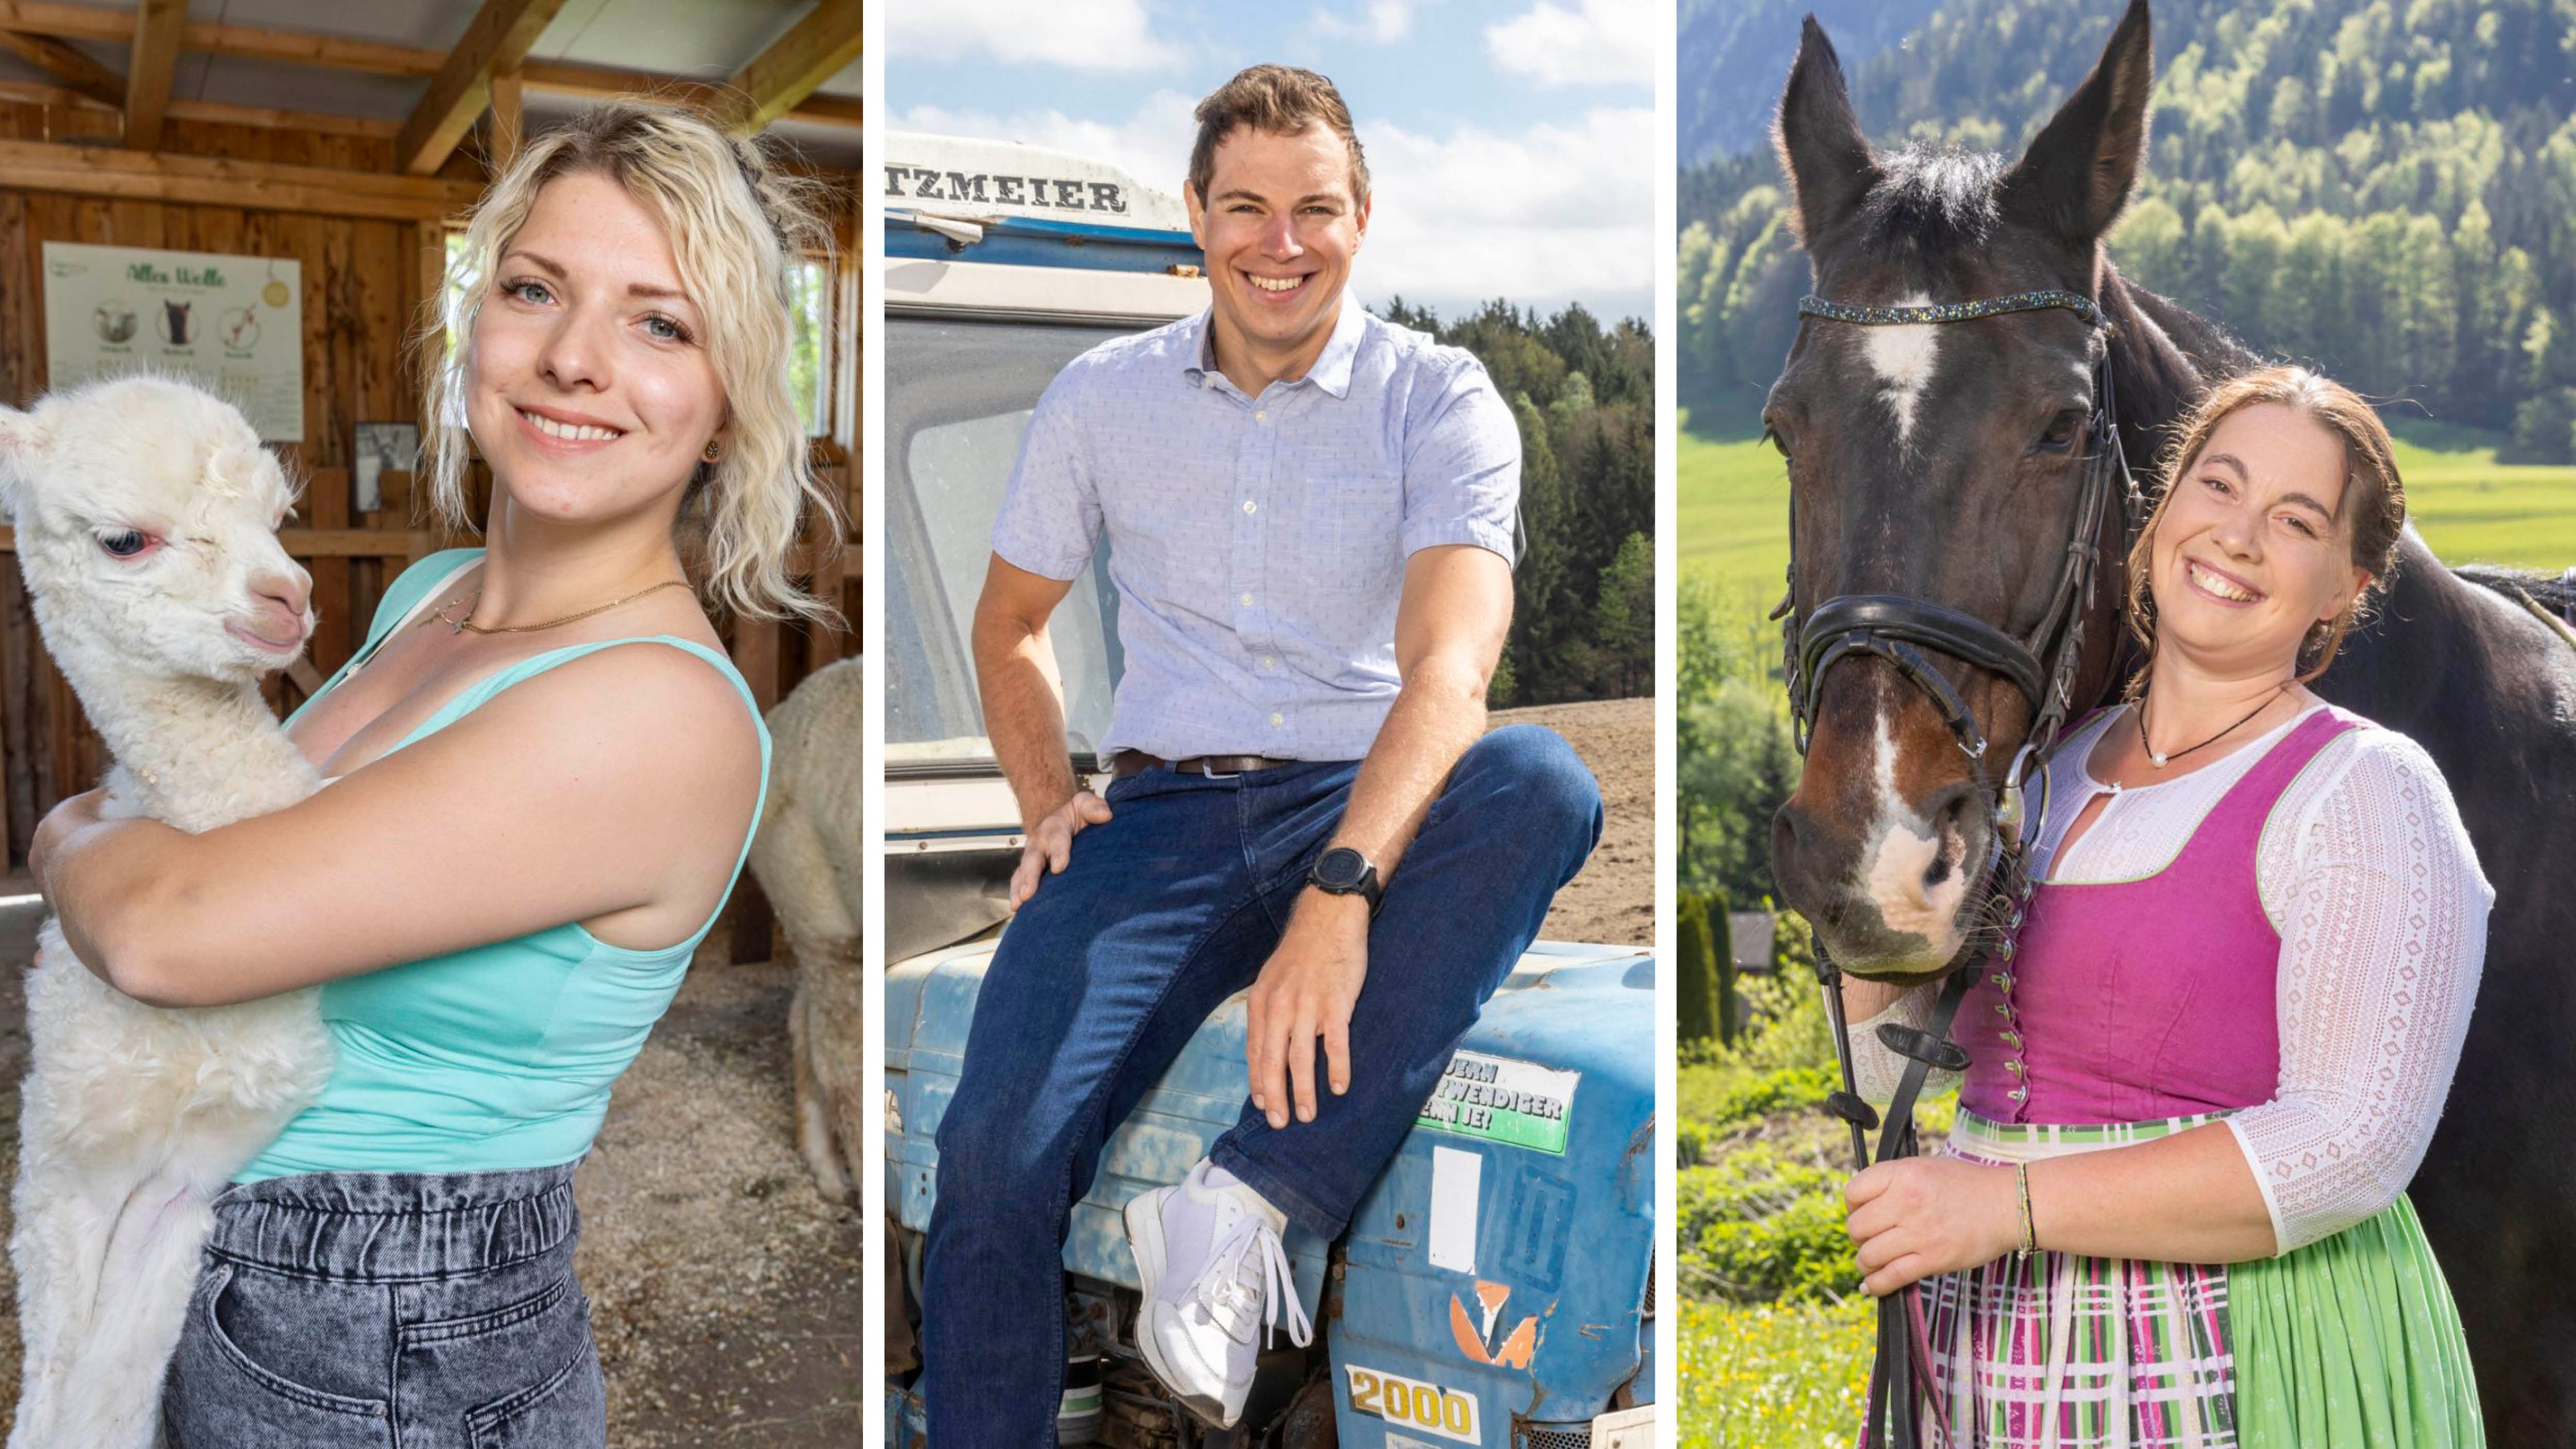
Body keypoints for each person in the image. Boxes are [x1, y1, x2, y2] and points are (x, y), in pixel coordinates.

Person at [28, 101, 838, 1446]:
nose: (575, 359)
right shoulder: (433, 593)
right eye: (535, 290)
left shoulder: (655, 712)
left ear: (727, 404)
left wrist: (65, 838)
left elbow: (169, 929)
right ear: (474, 330)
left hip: (388, 1323)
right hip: (216, 1257)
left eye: (661, 323)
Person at [918, 64, 1605, 1437]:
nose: (1276, 243)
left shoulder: (1438, 397)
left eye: (1312, 209)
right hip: (1162, 819)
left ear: (1363, 218)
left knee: (1541, 784)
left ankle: (1240, 1204)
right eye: (1244, 208)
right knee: (990, 1155)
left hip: (1367, 799)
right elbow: (1009, 624)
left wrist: (1340, 894)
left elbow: (1449, 665)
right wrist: (1049, 797)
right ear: (1195, 215)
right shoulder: (1100, 396)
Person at [1840, 365, 2490, 1447]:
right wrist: (1872, 929)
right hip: (1980, 1350)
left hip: (2239, 1356)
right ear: (2162, 509)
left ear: (2345, 586)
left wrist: (2009, 1206)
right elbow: (1912, 1079)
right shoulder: (2044, 769)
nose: (2238, 536)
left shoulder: (2365, 791)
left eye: (2294, 519)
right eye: (2219, 487)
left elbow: (2353, 1144)